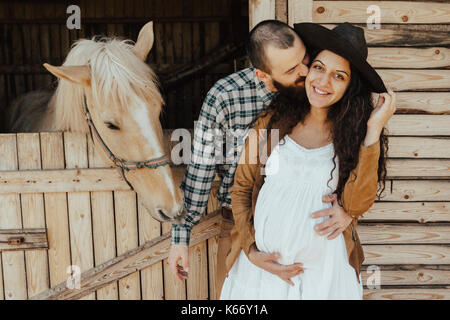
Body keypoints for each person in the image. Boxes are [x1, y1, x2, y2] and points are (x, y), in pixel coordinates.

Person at [168, 20, 383, 299]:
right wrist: (244, 248)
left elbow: (356, 193)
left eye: (306, 60)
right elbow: (223, 178)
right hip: (248, 245)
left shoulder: (349, 126)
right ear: (264, 75)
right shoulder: (249, 110)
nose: (307, 74)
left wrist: (348, 210)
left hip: (323, 271)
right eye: (297, 70)